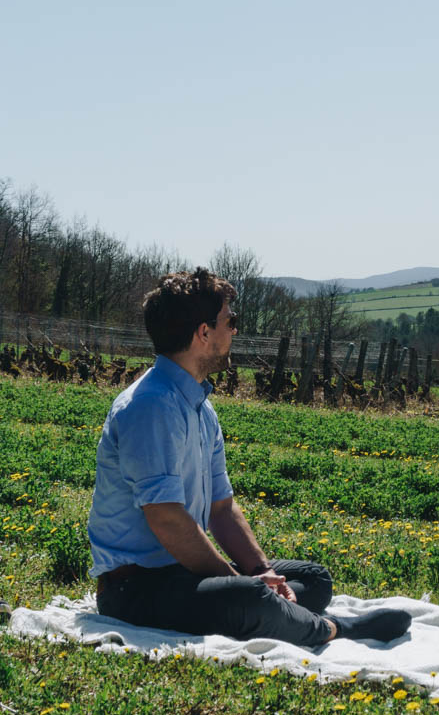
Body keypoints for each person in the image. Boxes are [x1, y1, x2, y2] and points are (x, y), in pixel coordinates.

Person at [88, 268, 410, 649]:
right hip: (135, 589)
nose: (235, 331)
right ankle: (335, 629)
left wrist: (262, 570)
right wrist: (239, 581)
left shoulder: (198, 407)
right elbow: (167, 518)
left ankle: (278, 609)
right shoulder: (151, 405)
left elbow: (222, 509)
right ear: (203, 332)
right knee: (250, 597)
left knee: (313, 578)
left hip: (183, 572)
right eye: (230, 321)